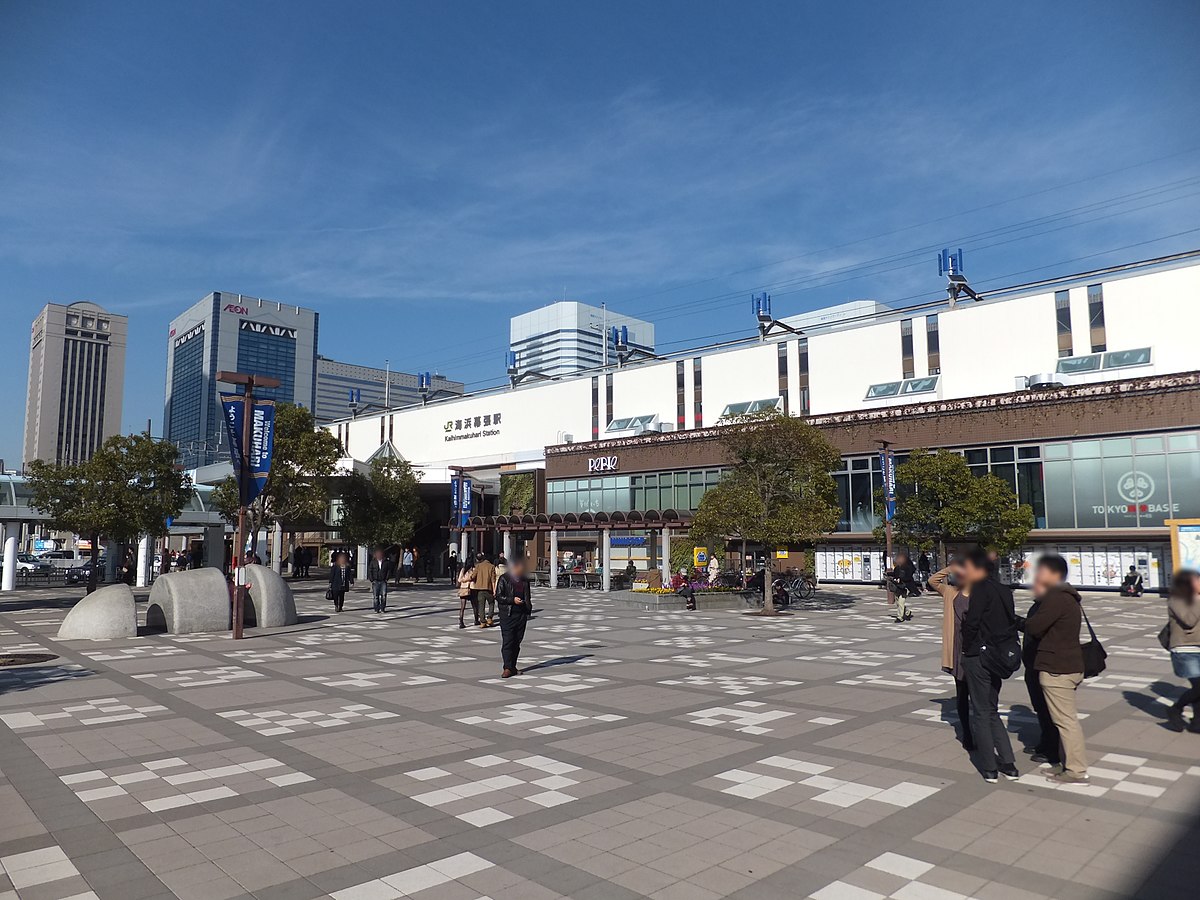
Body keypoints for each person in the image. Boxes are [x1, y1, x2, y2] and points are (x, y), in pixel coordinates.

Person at [1021, 554, 1089, 783]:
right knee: (1061, 720)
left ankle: (1076, 770)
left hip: (1058, 668)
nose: (1037, 575)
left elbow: (1034, 626)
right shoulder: (1066, 597)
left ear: (1054, 574)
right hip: (1065, 665)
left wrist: (1019, 621)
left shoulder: (1057, 598)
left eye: (1041, 571)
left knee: (1066, 722)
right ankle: (1065, 763)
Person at [959, 546, 1019, 784]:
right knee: (992, 709)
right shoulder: (1004, 590)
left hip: (980, 656)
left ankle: (989, 767)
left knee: (982, 712)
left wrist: (967, 648)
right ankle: (1009, 763)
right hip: (1000, 656)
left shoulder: (980, 589)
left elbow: (972, 624)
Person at [1016, 565, 1063, 772]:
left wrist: (1015, 620)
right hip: (1033, 663)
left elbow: (1035, 628)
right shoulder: (1041, 603)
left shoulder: (1051, 604)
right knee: (1041, 708)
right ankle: (1045, 741)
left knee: (1047, 709)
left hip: (1043, 663)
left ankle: (1052, 750)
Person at [930, 558, 974, 753]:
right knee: (962, 694)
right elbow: (932, 581)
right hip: (957, 650)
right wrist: (949, 568)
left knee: (980, 696)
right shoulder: (950, 592)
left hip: (975, 651)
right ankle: (967, 734)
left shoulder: (978, 593)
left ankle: (981, 731)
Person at [1164, 570, 1200, 733]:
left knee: (1198, 687)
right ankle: (1176, 708)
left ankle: (1197, 723)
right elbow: (1189, 620)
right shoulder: (1177, 599)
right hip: (1185, 650)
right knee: (1199, 686)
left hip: (1198, 648)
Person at [495, 554, 532, 677]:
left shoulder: (525, 580)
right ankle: (507, 667)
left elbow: (528, 596)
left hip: (521, 615)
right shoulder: (504, 579)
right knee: (508, 641)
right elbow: (499, 596)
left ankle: (513, 666)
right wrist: (512, 600)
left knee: (517, 642)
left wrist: (528, 610)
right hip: (508, 615)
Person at [886, 552, 918, 622]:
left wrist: (901, 579)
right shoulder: (897, 567)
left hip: (904, 587)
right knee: (898, 603)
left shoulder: (908, 568)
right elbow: (895, 574)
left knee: (901, 602)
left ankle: (899, 617)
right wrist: (888, 574)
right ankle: (907, 612)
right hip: (897, 587)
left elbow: (908, 577)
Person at [471, 553, 495, 628]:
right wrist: (494, 590)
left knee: (481, 605)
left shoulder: (478, 566)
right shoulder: (491, 566)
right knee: (491, 603)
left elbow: (473, 576)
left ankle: (482, 621)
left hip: (480, 589)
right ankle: (489, 618)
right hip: (489, 588)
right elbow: (493, 579)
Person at [482, 555, 507, 628]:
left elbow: (493, 578)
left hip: (497, 584)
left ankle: (485, 619)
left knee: (496, 600)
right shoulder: (507, 569)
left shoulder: (495, 568)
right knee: (504, 599)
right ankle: (502, 612)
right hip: (505, 585)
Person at [368, 547, 395, 613]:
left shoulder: (386, 562)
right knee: (375, 596)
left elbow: (389, 570)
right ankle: (376, 608)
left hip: (383, 581)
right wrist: (372, 579)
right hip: (375, 581)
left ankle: (382, 608)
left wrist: (386, 578)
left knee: (383, 595)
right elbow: (370, 571)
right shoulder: (373, 562)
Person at [456, 558, 477, 629]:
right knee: (474, 605)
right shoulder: (474, 569)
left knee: (462, 607)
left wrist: (464, 580)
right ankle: (476, 620)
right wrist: (468, 579)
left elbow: (459, 579)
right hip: (471, 588)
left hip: (463, 588)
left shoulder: (463, 570)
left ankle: (461, 621)